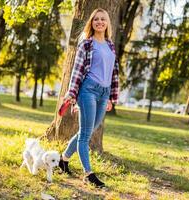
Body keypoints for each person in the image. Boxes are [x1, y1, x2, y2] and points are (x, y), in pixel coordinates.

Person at [58, 8, 119, 188]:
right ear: (91, 23)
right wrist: (72, 93)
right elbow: (77, 70)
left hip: (104, 92)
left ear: (107, 23)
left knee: (87, 131)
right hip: (88, 91)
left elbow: (114, 72)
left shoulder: (110, 45)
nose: (99, 22)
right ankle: (88, 174)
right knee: (85, 136)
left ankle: (63, 160)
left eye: (103, 19)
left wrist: (111, 97)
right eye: (96, 20)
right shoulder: (86, 43)